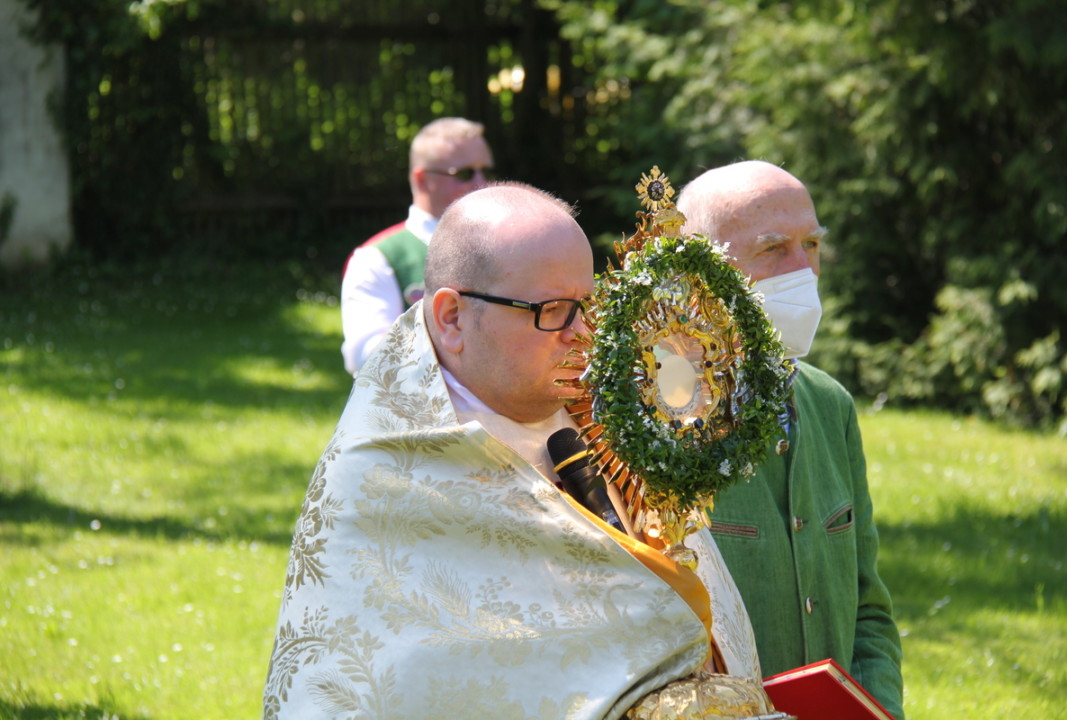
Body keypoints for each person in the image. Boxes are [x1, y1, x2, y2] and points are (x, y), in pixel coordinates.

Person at [264, 183, 767, 720]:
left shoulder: (612, 413)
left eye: (590, 304)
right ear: (452, 317)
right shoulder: (384, 480)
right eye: (552, 309)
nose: (585, 335)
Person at [677, 160, 905, 719]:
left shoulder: (830, 404)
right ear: (698, 273)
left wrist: (879, 711)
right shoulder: (651, 420)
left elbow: (869, 612)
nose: (803, 270)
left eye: (812, 245)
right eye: (774, 249)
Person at [340, 117, 494, 374]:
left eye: (486, 171)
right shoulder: (378, 258)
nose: (482, 184)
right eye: (465, 173)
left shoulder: (510, 246)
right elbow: (368, 355)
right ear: (422, 180)